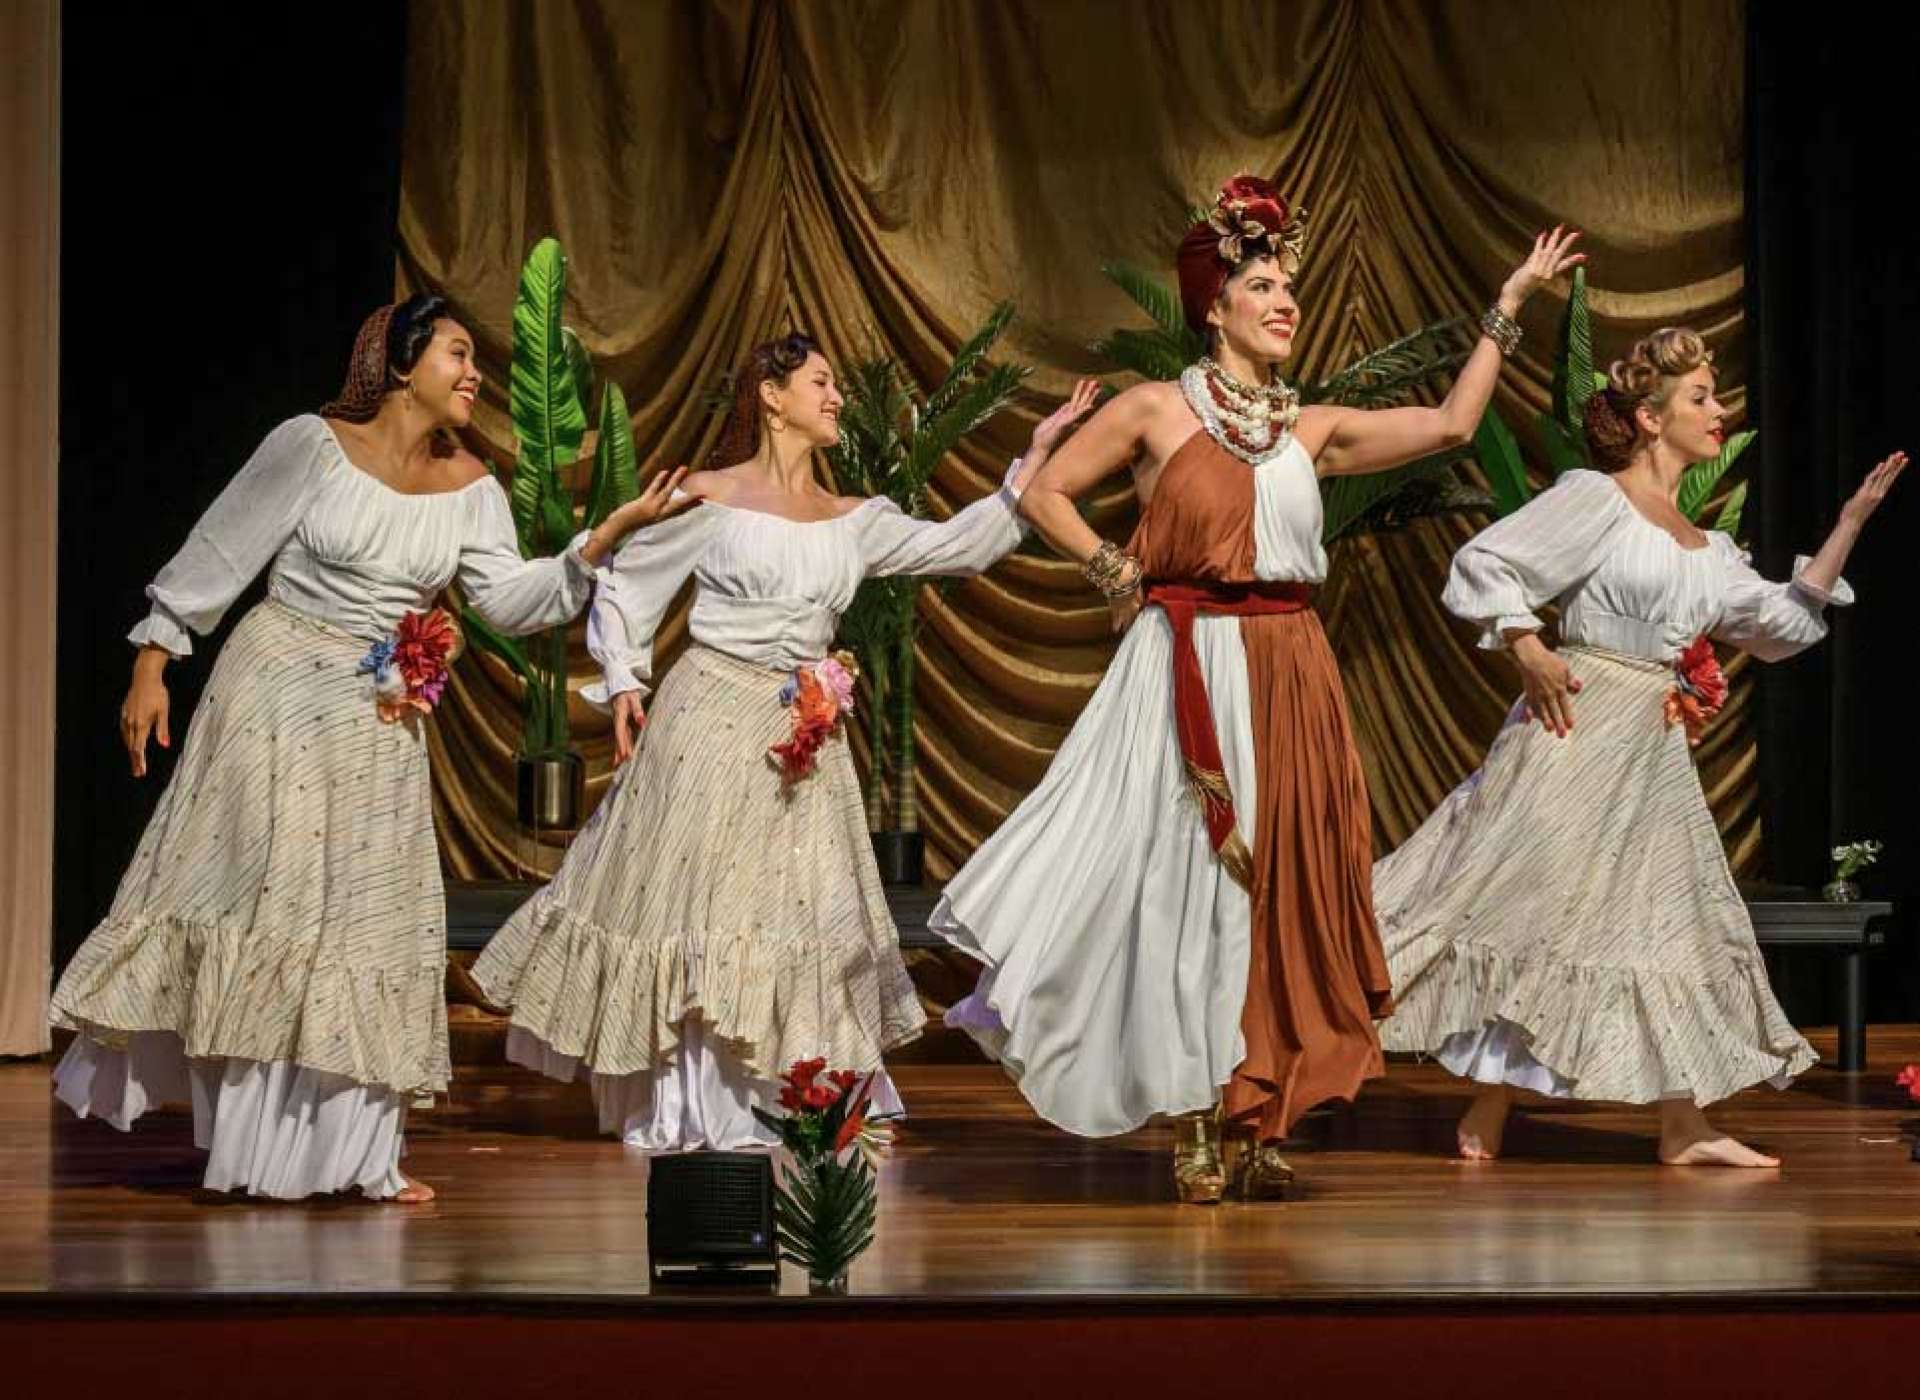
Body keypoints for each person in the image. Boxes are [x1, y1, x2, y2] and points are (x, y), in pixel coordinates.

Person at [932, 175, 1585, 1201]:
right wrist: (1114, 572)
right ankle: (1195, 1114)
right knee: (1189, 889)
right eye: (1265, 285)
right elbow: (1047, 491)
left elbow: (1456, 424)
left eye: (1291, 287)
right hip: (1184, 661)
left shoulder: (1310, 427)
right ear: (1215, 305)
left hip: (1289, 667)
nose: (1286, 301)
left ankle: (1253, 1117)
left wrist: (1507, 307)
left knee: (1281, 898)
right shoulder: (1153, 408)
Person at [50, 295, 687, 1202]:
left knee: (366, 917)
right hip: (275, 690)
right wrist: (155, 659)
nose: (475, 374)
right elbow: (221, 548)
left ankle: (357, 1154)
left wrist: (600, 542)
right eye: (458, 354)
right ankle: (256, 1147)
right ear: (400, 363)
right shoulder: (310, 445)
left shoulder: (472, 486)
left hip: (379, 717)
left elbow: (510, 600)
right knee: (275, 909)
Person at [471, 332, 1099, 1151]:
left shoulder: (854, 520)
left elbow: (962, 547)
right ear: (771, 395)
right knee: (701, 908)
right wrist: (626, 679)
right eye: (821, 382)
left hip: (804, 734)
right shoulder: (709, 498)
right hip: (708, 719)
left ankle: (793, 1091)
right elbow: (627, 584)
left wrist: (1033, 462)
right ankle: (697, 1105)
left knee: (797, 912)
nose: (836, 397)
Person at [1376, 327, 1905, 1166]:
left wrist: (1847, 525)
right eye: (1700, 397)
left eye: (1715, 395)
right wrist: (1526, 644)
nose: (1719, 410)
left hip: (1649, 753)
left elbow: (1779, 625)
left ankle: (1682, 1124)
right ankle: (1485, 1105)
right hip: (1573, 727)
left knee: (1670, 922)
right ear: (1652, 419)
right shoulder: (1598, 498)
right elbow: (1486, 561)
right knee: (1528, 906)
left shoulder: (1705, 546)